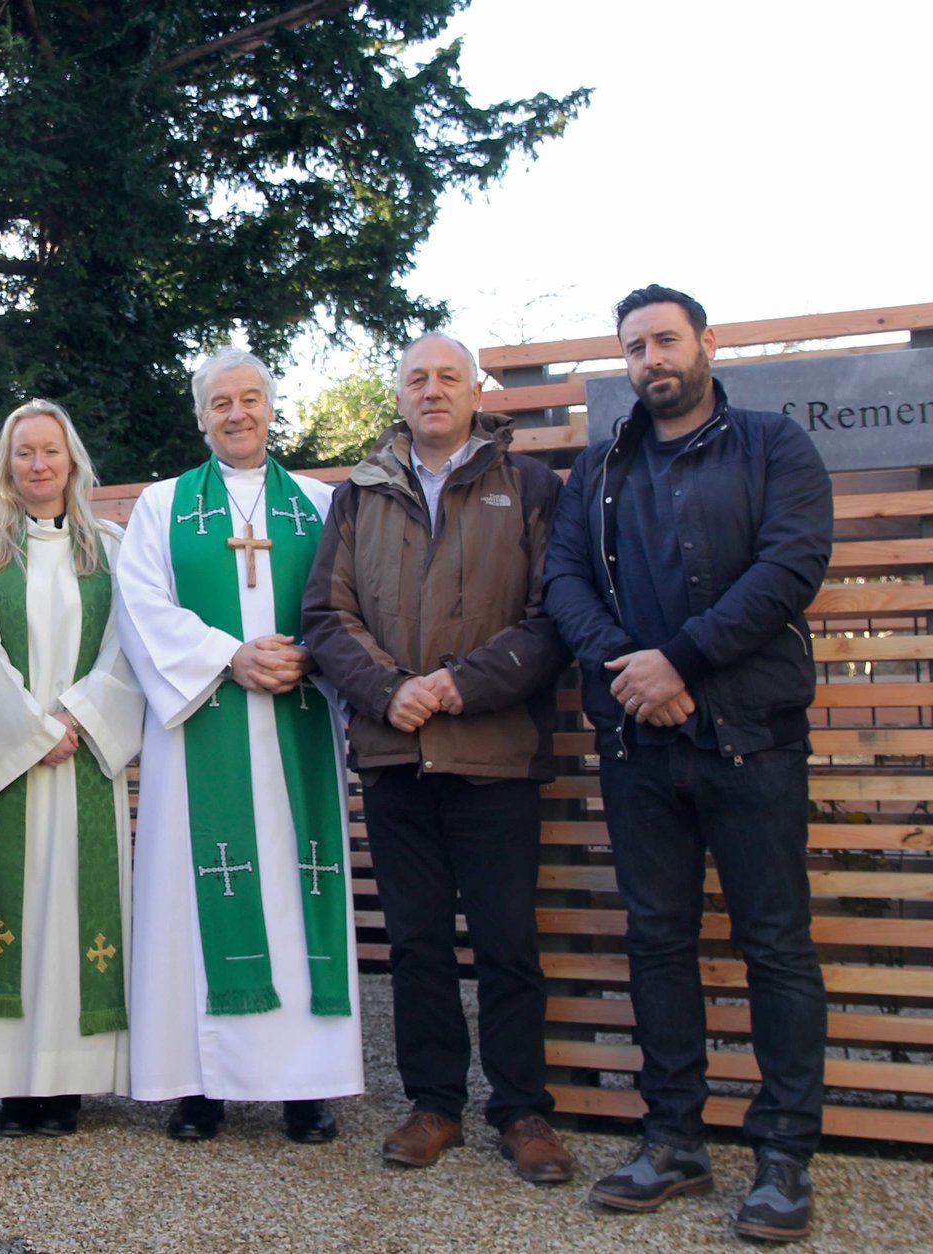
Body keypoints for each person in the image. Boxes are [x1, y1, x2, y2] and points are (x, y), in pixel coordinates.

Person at [544, 286, 832, 1243]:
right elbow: (565, 584)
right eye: (634, 348)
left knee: (775, 945)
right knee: (658, 941)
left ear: (705, 344)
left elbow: (789, 568)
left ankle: (784, 1158)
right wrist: (636, 673)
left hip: (750, 738)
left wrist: (684, 662)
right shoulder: (599, 471)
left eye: (665, 340)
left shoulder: (773, 447)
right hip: (637, 741)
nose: (650, 359)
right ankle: (673, 1142)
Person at [302, 333, 574, 1183]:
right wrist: (390, 691)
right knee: (417, 943)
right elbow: (324, 616)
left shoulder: (527, 486)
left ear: (474, 389)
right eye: (416, 378)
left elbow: (553, 617)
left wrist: (458, 686)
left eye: (447, 377)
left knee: (505, 940)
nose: (432, 390)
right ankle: (433, 1104)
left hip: (495, 753)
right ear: (399, 394)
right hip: (395, 757)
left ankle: (523, 1110)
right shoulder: (358, 495)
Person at [114, 347, 362, 1143]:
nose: (237, 413)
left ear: (270, 407)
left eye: (251, 398)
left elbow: (349, 605)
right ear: (199, 416)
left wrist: (307, 656)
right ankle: (199, 1086)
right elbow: (141, 606)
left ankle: (307, 1087)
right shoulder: (161, 506)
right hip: (202, 733)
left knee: (299, 897)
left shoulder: (321, 505)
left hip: (298, 725)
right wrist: (231, 654)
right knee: (193, 899)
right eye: (220, 401)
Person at [0, 400, 145, 1136]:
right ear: (8, 466)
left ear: (73, 460)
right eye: (25, 453)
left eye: (51, 451)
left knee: (81, 918)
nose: (39, 464)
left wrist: (78, 717)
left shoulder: (111, 548)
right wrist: (33, 730)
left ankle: (69, 1084)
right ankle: (13, 1086)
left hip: (86, 759)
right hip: (13, 769)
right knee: (12, 916)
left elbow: (127, 646)